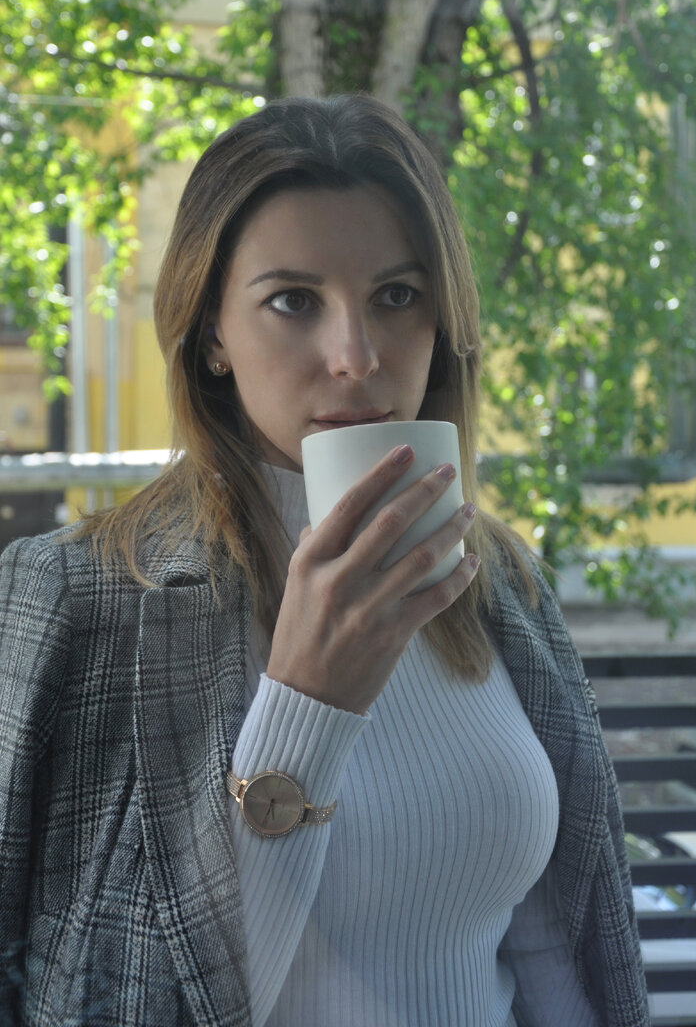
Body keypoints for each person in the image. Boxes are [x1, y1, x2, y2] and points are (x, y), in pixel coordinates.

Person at [0, 94, 650, 1027]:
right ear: (212, 332)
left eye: (397, 296)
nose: (356, 356)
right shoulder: (77, 597)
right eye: (293, 301)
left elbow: (555, 945)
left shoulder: (498, 581)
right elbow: (131, 987)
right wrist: (307, 704)